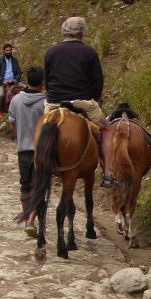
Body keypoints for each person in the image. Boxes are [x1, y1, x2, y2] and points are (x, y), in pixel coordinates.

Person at [43, 16, 113, 186]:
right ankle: (109, 173)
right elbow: (97, 82)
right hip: (82, 102)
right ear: (82, 34)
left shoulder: (51, 51)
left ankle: (37, 163)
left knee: (40, 126)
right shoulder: (89, 52)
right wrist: (94, 97)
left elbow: (47, 79)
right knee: (106, 131)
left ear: (63, 32)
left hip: (54, 103)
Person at [8, 66, 46, 231]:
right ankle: (31, 220)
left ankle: (27, 220)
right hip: (41, 150)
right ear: (42, 82)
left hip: (22, 149)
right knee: (39, 186)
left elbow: (12, 123)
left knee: (25, 185)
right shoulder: (46, 102)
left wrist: (18, 138)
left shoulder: (16, 100)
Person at [0, 43, 22, 108]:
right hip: (3, 83)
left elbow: (19, 72)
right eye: (7, 50)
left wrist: (16, 79)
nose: (8, 52)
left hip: (13, 81)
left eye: (10, 50)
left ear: (11, 51)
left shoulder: (15, 60)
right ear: (4, 51)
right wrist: (2, 80)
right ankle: (0, 110)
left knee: (26, 88)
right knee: (0, 95)